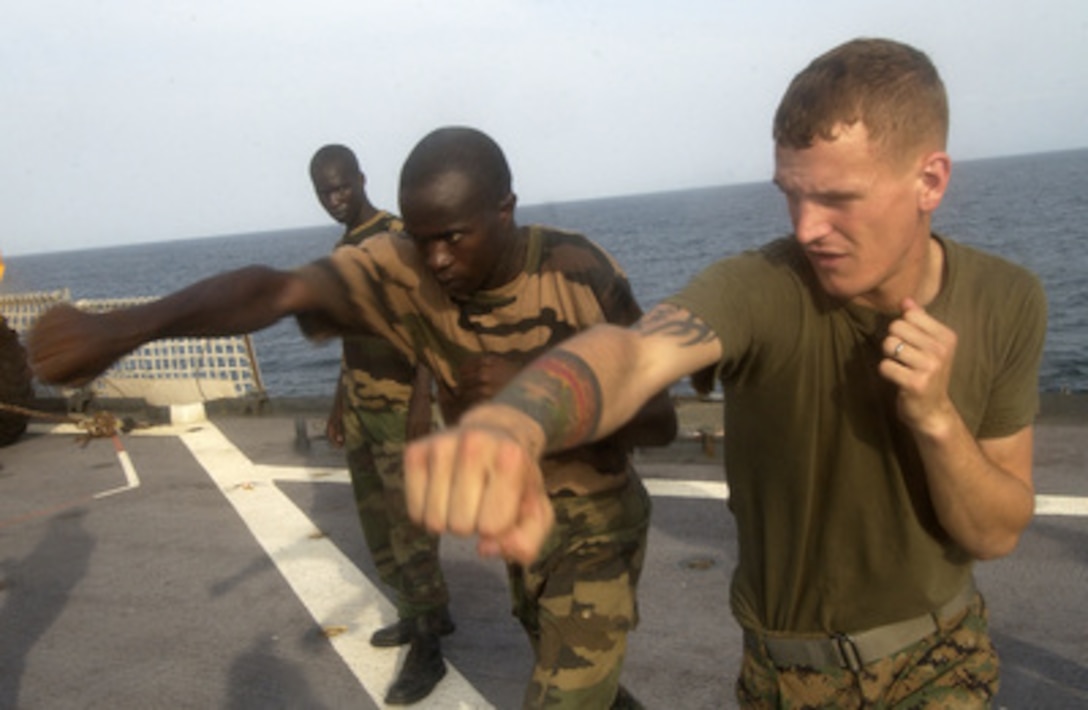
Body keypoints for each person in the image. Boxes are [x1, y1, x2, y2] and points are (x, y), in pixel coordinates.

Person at [401, 39, 1048, 707]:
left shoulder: (1006, 299)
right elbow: (636, 354)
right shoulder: (763, 287)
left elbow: (994, 533)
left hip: (939, 662)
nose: (806, 229)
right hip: (785, 674)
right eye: (791, 196)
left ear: (930, 181)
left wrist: (937, 420)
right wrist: (518, 418)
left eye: (837, 197)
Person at [29, 126, 677, 709]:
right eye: (422, 242)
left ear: (504, 211)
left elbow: (660, 420)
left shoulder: (579, 271)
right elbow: (276, 291)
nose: (438, 261)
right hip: (514, 526)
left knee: (563, 695)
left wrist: (545, 389)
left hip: (594, 527)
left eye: (454, 237)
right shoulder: (401, 265)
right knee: (575, 674)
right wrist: (125, 329)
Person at [308, 144, 452, 704]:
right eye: (325, 191)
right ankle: (419, 615)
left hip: (400, 407)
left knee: (412, 527)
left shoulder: (397, 237)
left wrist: (422, 401)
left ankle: (430, 649)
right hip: (364, 407)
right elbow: (353, 336)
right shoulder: (344, 248)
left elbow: (434, 323)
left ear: (362, 179)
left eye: (342, 186)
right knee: (378, 525)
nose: (335, 198)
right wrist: (339, 403)